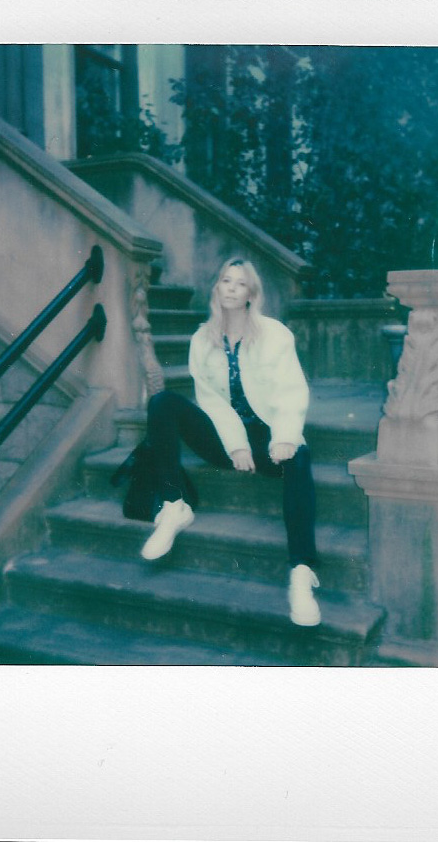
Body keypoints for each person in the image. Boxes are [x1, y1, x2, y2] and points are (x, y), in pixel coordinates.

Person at [141, 257, 321, 627]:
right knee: (163, 403)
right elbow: (209, 401)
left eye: (240, 284)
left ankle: (301, 572)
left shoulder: (275, 334)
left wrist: (284, 438)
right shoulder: (201, 339)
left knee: (300, 456)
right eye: (226, 280)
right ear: (217, 288)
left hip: (269, 440)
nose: (231, 289)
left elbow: (291, 390)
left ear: (251, 294)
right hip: (226, 439)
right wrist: (236, 445)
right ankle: (174, 506)